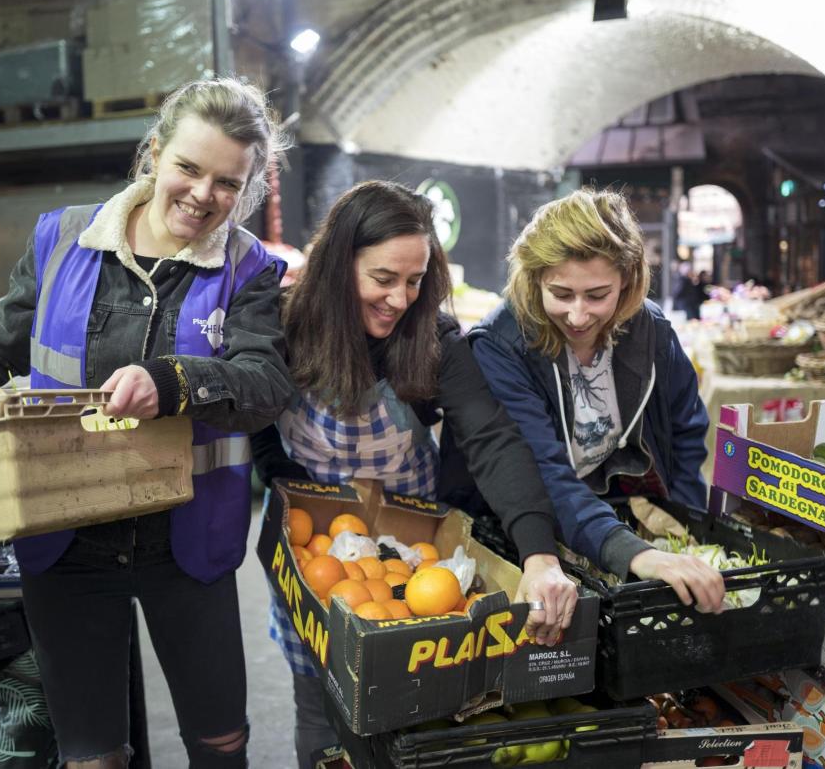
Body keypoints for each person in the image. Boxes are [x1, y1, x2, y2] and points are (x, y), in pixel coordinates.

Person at [0, 78, 291, 769]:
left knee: (220, 741)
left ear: (248, 188)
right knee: (92, 752)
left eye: (228, 183)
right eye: (189, 168)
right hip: (65, 543)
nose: (202, 194)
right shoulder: (63, 240)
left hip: (186, 544)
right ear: (154, 155)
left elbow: (264, 387)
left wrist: (171, 381)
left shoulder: (250, 271)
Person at [249, 181, 579, 769]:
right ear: (336, 265)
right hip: (312, 548)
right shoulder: (282, 326)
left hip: (409, 547)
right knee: (319, 709)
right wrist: (279, 471)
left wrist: (539, 555)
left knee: (410, 702)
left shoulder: (433, 341)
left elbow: (491, 438)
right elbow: (252, 413)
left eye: (415, 280)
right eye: (383, 279)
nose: (401, 299)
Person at [469, 188, 726, 618]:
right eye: (561, 293)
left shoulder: (652, 331)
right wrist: (637, 555)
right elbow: (540, 469)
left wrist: (683, 531)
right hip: (526, 528)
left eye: (597, 294)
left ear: (627, 280)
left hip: (614, 517)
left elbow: (685, 432)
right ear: (534, 279)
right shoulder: (501, 345)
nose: (578, 314)